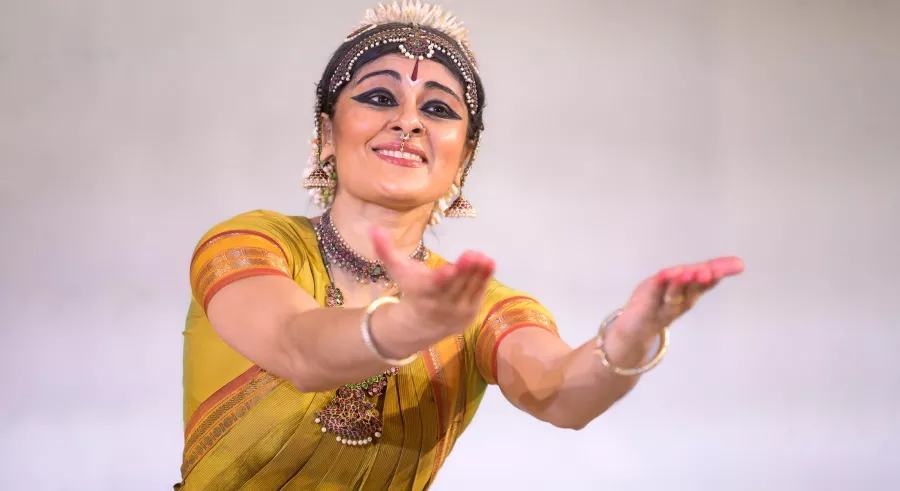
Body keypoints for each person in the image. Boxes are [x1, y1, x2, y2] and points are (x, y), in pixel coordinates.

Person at [176, 1, 744, 489]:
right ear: (326, 133)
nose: (407, 122)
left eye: (438, 109)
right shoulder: (252, 243)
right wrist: (406, 326)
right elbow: (295, 348)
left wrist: (628, 339)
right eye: (378, 97)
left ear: (463, 159)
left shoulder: (473, 306)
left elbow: (559, 394)